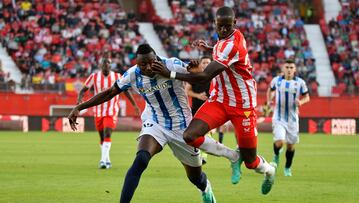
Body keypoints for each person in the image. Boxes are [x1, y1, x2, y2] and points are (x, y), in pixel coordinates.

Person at [68, 44, 240, 203]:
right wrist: (80, 106)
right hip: (155, 122)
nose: (148, 67)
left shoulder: (172, 64)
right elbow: (110, 92)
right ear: (137, 64)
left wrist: (194, 70)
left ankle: (206, 188)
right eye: (143, 65)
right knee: (141, 159)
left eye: (152, 62)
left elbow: (198, 79)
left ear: (157, 58)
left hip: (183, 127)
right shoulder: (133, 74)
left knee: (195, 177)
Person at [152, 6, 277, 194]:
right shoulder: (225, 39)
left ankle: (269, 170)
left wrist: (169, 74)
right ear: (215, 24)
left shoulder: (232, 44)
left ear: (234, 24)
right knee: (190, 136)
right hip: (219, 100)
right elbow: (221, 52)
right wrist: (210, 48)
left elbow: (203, 77)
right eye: (220, 26)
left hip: (242, 105)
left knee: (251, 162)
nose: (224, 30)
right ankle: (233, 157)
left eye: (228, 26)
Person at [77, 53, 140, 169]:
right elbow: (83, 90)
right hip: (98, 111)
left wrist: (134, 105)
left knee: (107, 133)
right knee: (102, 137)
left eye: (108, 62)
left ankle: (102, 161)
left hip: (111, 111)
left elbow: (125, 90)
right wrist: (79, 100)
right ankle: (107, 159)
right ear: (100, 65)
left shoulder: (117, 76)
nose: (106, 64)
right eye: (104, 62)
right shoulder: (94, 77)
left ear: (111, 65)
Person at [267, 59, 310, 177]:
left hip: (293, 119)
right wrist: (269, 100)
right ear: (283, 69)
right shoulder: (277, 81)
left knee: (290, 146)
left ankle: (287, 167)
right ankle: (276, 156)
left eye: (291, 67)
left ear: (295, 69)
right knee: (280, 141)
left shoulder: (300, 82)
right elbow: (270, 90)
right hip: (279, 117)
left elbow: (307, 97)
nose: (289, 70)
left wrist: (301, 102)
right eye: (287, 67)